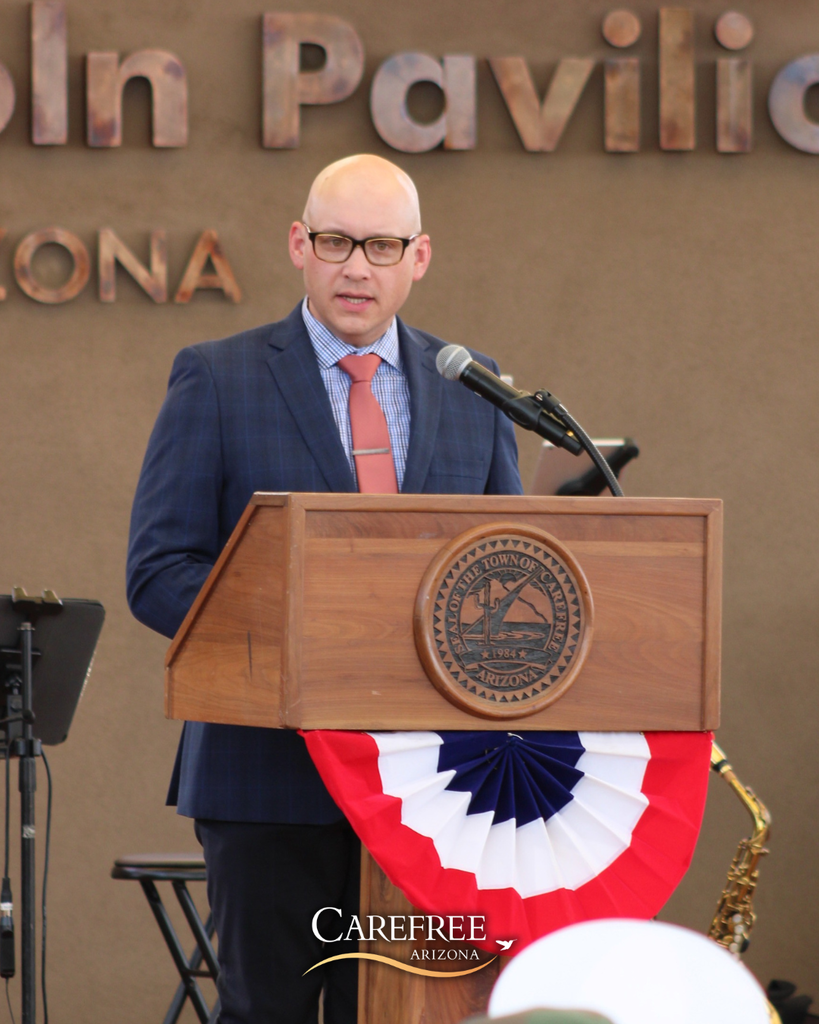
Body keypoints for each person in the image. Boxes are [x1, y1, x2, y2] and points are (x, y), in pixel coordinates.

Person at [126, 153, 523, 1024]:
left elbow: (507, 570)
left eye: (382, 246)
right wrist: (318, 637)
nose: (357, 267)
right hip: (267, 779)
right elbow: (159, 573)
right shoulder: (218, 377)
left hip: (433, 788)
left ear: (419, 257)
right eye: (337, 241)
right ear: (299, 245)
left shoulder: (474, 388)